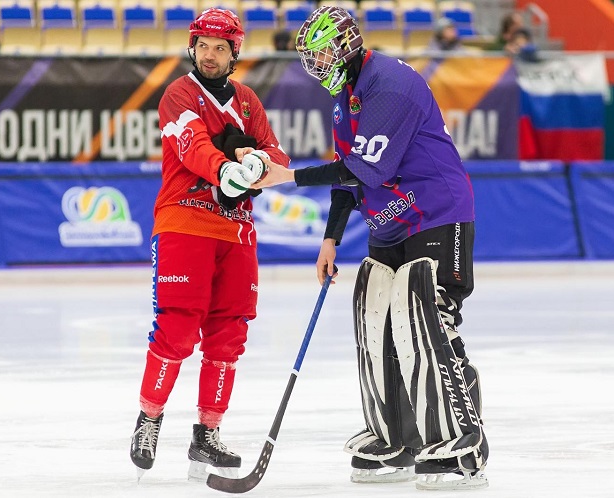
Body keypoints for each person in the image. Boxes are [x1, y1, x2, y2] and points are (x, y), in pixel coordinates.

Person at [250, 6, 489, 491]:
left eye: (319, 54)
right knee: (376, 312)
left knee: (426, 315)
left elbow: (367, 171)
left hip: (436, 210)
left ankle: (466, 441)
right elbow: (346, 173)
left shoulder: (390, 85)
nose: (315, 66)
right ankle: (397, 437)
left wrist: (288, 177)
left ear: (342, 46)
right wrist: (330, 240)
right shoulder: (346, 98)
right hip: (387, 221)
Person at [129, 7, 290, 482]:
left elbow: (278, 156)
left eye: (221, 48)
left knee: (228, 335)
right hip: (185, 221)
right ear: (193, 48)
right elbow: (192, 145)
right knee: (178, 329)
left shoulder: (248, 100)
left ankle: (207, 435)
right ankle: (149, 418)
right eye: (203, 46)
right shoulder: (180, 93)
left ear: (234, 52)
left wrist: (255, 160)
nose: (211, 55)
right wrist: (225, 170)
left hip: (236, 231)